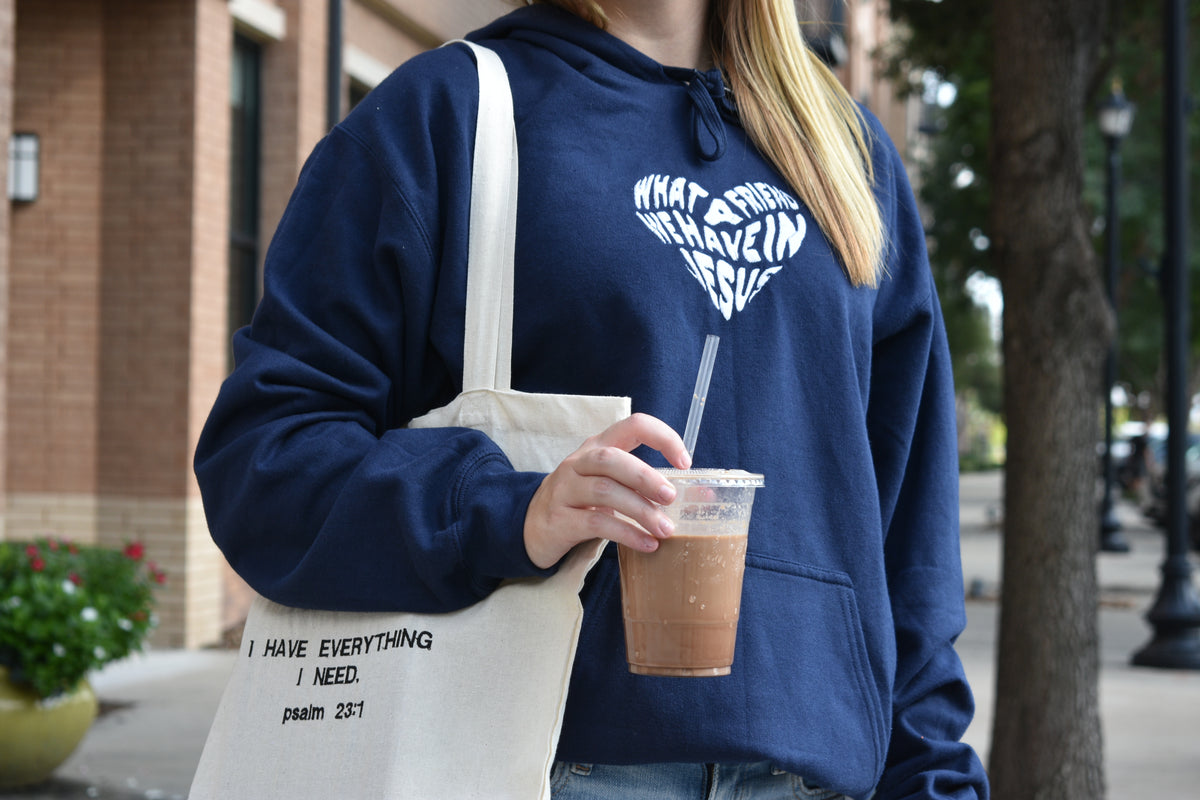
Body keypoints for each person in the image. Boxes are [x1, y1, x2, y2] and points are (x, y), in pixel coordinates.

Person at [194, 0, 990, 797]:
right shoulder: (446, 115)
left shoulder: (850, 157)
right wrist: (509, 511)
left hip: (819, 777)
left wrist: (935, 776)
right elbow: (263, 460)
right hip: (541, 768)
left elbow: (909, 532)